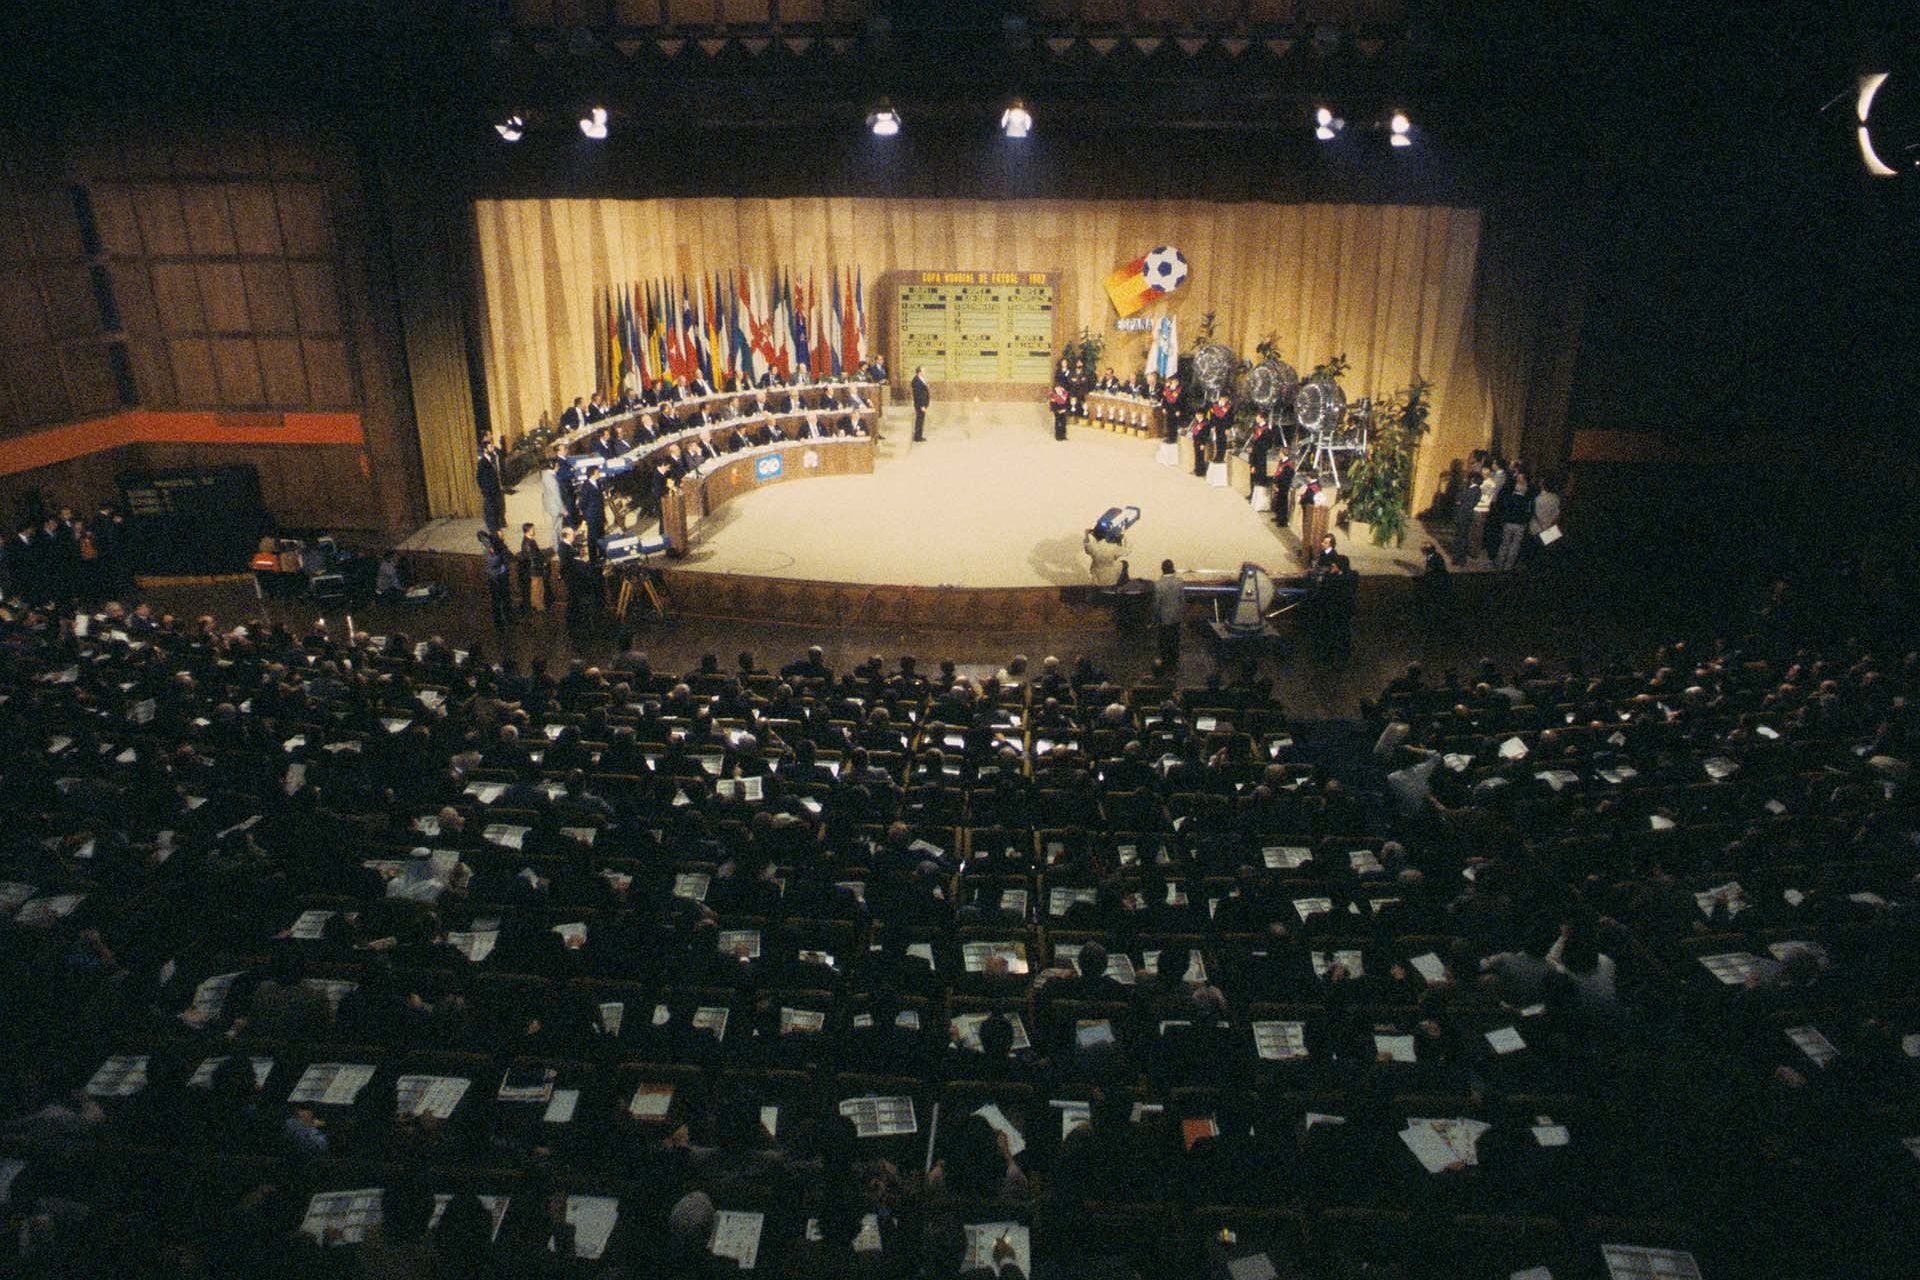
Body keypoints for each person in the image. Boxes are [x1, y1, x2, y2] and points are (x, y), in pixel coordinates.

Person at [1494, 469, 1534, 571]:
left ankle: (1499, 563)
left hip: (1509, 522)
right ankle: (1508, 566)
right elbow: (1529, 513)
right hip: (1520, 524)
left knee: (1505, 543)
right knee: (1515, 546)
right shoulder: (1527, 500)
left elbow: (1505, 508)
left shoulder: (1510, 498)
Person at [477, 529, 513, 630]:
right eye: (501, 536)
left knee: (506, 598)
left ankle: (508, 619)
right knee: (497, 600)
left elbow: (509, 556)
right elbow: (493, 563)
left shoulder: (500, 546)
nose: (503, 537)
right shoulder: (489, 549)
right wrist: (501, 555)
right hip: (495, 578)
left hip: (502, 574)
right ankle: (499, 622)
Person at [1153, 559, 1184, 668]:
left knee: (1164, 641)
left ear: (1162, 569)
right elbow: (1182, 600)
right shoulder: (1180, 582)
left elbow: (1157, 604)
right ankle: (1174, 662)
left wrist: (1155, 618)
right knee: (1175, 639)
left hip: (1164, 618)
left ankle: (1165, 662)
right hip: (1176, 617)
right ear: (1173, 568)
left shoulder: (1158, 585)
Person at [475, 433, 506, 533]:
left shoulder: (492, 458)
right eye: (490, 446)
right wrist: (485, 489)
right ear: (485, 449)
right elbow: (479, 478)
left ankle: (498, 525)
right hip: (489, 491)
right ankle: (493, 527)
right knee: (490, 510)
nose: (492, 447)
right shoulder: (482, 462)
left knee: (497, 508)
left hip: (495, 489)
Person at [540, 447, 571, 546]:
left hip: (550, 505)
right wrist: (563, 510)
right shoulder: (552, 480)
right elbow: (556, 496)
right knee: (556, 529)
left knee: (556, 528)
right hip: (555, 508)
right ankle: (557, 547)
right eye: (557, 466)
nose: (558, 467)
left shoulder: (546, 475)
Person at [1453, 466, 1483, 565]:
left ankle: (1459, 558)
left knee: (1460, 538)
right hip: (1467, 515)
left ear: (1472, 479)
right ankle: (1460, 558)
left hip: (1463, 515)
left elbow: (1459, 499)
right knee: (1463, 537)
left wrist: (1460, 498)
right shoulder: (1477, 490)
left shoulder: (1470, 490)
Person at [517, 522, 548, 613]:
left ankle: (539, 606)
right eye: (532, 529)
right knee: (536, 589)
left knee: (539, 588)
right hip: (534, 569)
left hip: (536, 568)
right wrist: (543, 559)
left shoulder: (530, 540)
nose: (534, 530)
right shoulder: (527, 542)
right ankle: (537, 607)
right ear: (528, 530)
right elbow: (533, 556)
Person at [911, 365, 930, 441]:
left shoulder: (920, 379)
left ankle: (919, 435)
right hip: (920, 404)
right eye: (923, 371)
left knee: (921, 419)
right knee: (919, 420)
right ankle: (918, 437)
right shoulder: (917, 381)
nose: (925, 372)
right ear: (919, 372)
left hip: (923, 403)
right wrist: (922, 405)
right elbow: (918, 394)